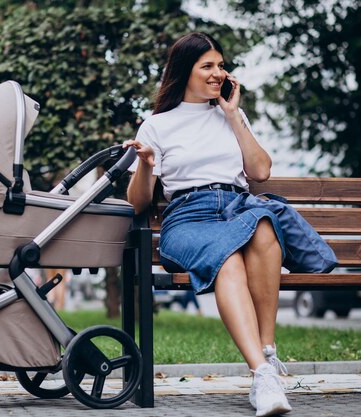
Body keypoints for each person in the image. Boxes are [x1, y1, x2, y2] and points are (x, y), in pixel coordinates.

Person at [124, 32, 292, 416]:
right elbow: (138, 203)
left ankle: (267, 360)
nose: (218, 73)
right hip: (188, 217)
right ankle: (262, 374)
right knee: (227, 259)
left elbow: (261, 171)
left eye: (220, 65)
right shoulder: (157, 126)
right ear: (186, 71)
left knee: (265, 226)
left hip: (236, 206)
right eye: (208, 67)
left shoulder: (230, 115)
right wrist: (147, 166)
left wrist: (233, 114)